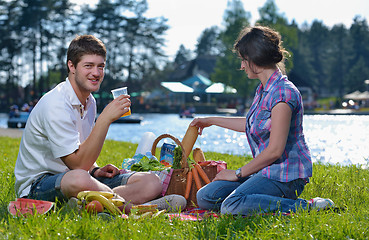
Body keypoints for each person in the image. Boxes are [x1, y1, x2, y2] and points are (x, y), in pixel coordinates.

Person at [14, 35, 185, 213]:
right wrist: (104, 119)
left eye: (100, 66)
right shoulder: (56, 104)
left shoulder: (90, 102)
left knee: (151, 181)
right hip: (39, 185)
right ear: (71, 66)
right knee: (79, 179)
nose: (96, 73)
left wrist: (95, 171)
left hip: (81, 175)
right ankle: (134, 209)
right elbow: (77, 165)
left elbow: (81, 150)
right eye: (88, 66)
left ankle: (89, 204)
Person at [190, 26, 334, 215]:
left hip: (285, 177)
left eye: (243, 60)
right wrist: (210, 120)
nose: (242, 66)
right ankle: (258, 201)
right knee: (205, 196)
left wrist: (237, 174)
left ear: (255, 59)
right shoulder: (263, 89)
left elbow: (274, 151)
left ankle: (308, 207)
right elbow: (251, 124)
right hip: (265, 173)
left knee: (230, 205)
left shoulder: (283, 93)